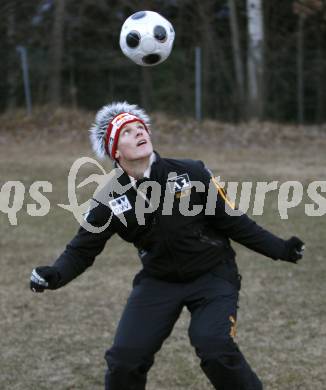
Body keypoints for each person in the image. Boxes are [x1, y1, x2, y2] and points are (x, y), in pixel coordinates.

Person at [30, 101, 305, 390]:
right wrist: (55, 274)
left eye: (141, 128)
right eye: (127, 132)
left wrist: (282, 249)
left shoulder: (191, 172)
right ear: (115, 151)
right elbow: (81, 250)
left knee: (214, 348)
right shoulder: (109, 198)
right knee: (124, 360)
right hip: (159, 280)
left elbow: (235, 222)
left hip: (212, 275)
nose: (139, 133)